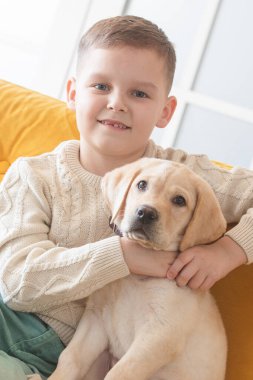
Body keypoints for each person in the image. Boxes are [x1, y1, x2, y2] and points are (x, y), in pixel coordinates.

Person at [0, 14, 252, 380]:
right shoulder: (33, 174)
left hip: (56, 349)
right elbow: (17, 283)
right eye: (101, 86)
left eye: (139, 93)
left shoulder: (185, 175)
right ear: (73, 93)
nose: (117, 103)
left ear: (164, 111)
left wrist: (229, 250)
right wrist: (121, 256)